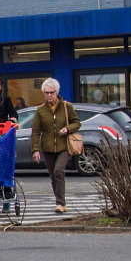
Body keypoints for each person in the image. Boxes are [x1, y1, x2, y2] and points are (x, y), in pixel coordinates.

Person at [31, 78, 81, 213]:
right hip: (47, 148)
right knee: (53, 175)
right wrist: (35, 149)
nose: (49, 95)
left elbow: (77, 123)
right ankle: (59, 201)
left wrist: (67, 129)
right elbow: (36, 130)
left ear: (56, 92)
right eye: (46, 93)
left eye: (51, 92)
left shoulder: (66, 106)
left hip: (63, 146)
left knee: (59, 171)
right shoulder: (41, 110)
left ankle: (60, 203)